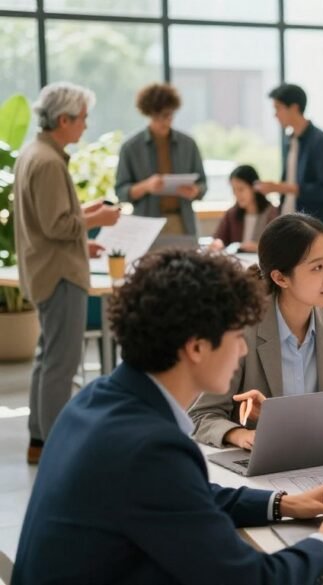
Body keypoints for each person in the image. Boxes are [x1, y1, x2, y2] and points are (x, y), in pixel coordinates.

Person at [13, 249, 323, 584]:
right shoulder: (150, 449)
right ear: (197, 347)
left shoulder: (97, 398)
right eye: (237, 335)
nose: (241, 349)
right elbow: (251, 580)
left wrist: (281, 503)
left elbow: (185, 495)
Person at [191, 214, 323, 449]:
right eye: (317, 267)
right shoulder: (242, 325)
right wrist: (239, 434)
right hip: (259, 462)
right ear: (280, 278)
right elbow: (201, 415)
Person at [13, 82, 121, 463]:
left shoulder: (37, 154)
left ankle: (39, 440)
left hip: (48, 267)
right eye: (83, 119)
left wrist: (84, 234)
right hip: (59, 275)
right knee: (61, 364)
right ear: (64, 119)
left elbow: (52, 222)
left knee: (48, 359)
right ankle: (56, 447)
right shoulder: (47, 162)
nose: (85, 126)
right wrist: (99, 217)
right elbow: (58, 225)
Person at [115, 82, 207, 236]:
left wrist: (195, 191)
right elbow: (121, 192)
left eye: (169, 115)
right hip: (146, 224)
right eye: (160, 116)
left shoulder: (188, 144)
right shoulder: (130, 147)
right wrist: (146, 186)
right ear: (149, 114)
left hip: (182, 222)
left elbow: (203, 184)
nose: (165, 121)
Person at [256, 83, 323, 233]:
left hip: (315, 228)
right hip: (293, 223)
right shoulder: (291, 141)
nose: (275, 115)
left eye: (278, 108)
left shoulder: (321, 142)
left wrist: (280, 187)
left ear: (294, 108)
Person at [210, 164, 279, 253]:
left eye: (241, 189)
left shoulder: (272, 213)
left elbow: (278, 247)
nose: (237, 194)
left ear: (254, 187)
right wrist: (217, 243)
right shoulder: (232, 213)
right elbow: (219, 238)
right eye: (234, 190)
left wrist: (259, 247)